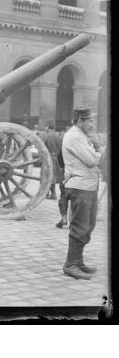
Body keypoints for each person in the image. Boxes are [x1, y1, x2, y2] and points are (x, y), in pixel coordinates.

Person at [61, 107, 105, 280]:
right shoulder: (74, 136)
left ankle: (78, 261)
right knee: (80, 226)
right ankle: (70, 265)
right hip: (80, 187)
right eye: (89, 121)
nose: (92, 124)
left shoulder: (81, 136)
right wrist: (99, 149)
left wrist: (94, 150)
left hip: (88, 187)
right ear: (79, 121)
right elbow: (91, 160)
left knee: (89, 225)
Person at [42, 121, 63, 201]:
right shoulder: (59, 136)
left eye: (46, 126)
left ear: (48, 127)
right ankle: (52, 193)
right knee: (53, 175)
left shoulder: (46, 136)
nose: (45, 128)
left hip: (48, 157)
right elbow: (60, 148)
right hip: (56, 158)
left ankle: (49, 193)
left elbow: (42, 148)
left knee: (47, 175)